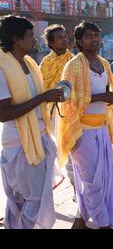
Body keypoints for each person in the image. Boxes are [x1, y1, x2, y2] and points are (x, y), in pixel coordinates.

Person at [57, 21, 113, 229]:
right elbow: (69, 101)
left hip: (101, 130)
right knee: (92, 183)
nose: (94, 39)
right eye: (89, 36)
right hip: (82, 131)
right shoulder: (73, 66)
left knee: (102, 181)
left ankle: (80, 221)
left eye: (97, 35)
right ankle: (103, 224)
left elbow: (105, 94)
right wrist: (104, 96)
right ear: (79, 41)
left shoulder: (104, 63)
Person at [0, 15, 65, 229]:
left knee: (27, 200)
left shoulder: (28, 62)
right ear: (16, 39)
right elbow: (4, 113)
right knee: (31, 199)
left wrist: (50, 96)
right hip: (18, 143)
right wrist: (43, 98)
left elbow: (35, 99)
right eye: (30, 36)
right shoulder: (2, 67)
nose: (35, 40)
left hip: (39, 137)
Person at [38, 24, 76, 199]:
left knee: (73, 152)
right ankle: (46, 190)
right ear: (51, 43)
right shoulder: (45, 63)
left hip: (72, 112)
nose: (65, 39)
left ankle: (77, 188)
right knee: (54, 152)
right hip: (52, 114)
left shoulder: (74, 60)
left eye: (65, 36)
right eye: (60, 37)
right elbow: (40, 88)